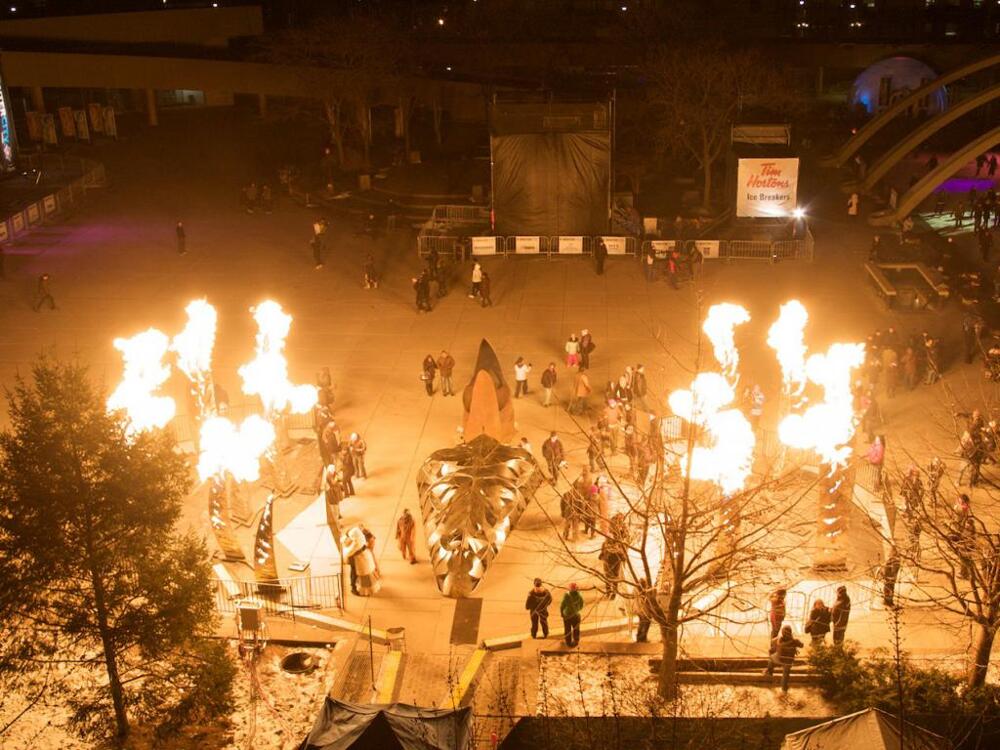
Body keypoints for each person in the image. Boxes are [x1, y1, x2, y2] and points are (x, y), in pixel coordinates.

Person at [765, 625, 805, 692]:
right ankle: (784, 689)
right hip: (789, 661)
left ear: (782, 632)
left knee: (771, 658)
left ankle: (769, 671)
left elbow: (773, 643)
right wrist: (795, 640)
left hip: (780, 659)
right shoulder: (794, 641)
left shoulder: (779, 639)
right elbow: (802, 645)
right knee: (785, 674)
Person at [635, 578, 661, 643]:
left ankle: (639, 638)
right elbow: (648, 594)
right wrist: (655, 588)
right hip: (645, 611)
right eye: (645, 583)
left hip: (639, 611)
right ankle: (642, 639)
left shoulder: (636, 590)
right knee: (645, 624)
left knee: (641, 624)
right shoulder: (643, 592)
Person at [560, 582, 584, 647]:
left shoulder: (567, 595)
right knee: (576, 628)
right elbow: (582, 605)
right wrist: (576, 610)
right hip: (576, 615)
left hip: (567, 615)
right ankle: (576, 641)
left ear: (570, 589)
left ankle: (568, 642)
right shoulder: (579, 596)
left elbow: (562, 606)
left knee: (567, 629)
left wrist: (562, 613)